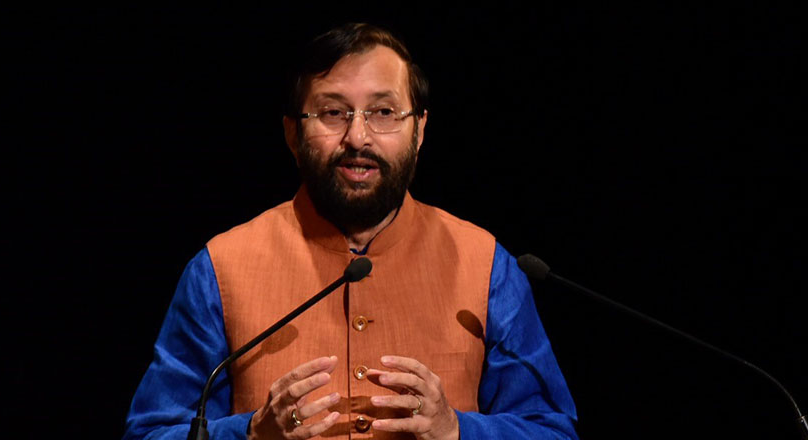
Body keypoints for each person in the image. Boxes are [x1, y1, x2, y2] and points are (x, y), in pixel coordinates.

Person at [124, 23, 578, 440]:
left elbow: (552, 430)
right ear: (291, 135)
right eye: (333, 113)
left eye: (383, 111)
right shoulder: (220, 268)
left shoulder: (487, 266)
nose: (358, 137)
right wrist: (250, 434)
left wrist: (456, 430)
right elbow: (150, 432)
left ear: (419, 131)